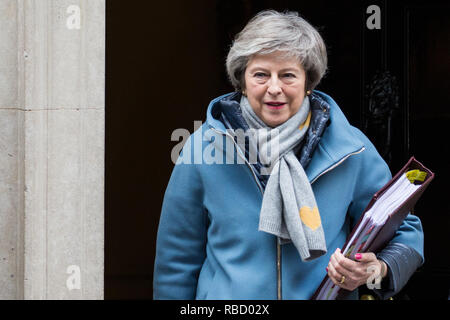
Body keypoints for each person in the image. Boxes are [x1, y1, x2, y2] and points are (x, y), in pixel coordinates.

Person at [153, 10, 424, 300]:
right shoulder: (202, 149)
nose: (274, 88)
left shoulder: (351, 149)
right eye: (260, 75)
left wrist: (377, 270)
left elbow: (405, 231)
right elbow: (176, 262)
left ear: (309, 82)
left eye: (287, 75)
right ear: (241, 81)